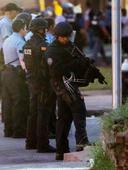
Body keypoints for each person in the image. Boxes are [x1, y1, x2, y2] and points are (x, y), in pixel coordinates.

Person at [44, 22, 89, 161]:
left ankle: (61, 149)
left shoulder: (69, 46)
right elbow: (55, 70)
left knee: (64, 117)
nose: (66, 39)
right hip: (61, 84)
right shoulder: (52, 50)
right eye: (63, 37)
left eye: (67, 37)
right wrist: (76, 64)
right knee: (78, 108)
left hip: (68, 83)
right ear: (57, 36)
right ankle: (81, 142)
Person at [24, 18, 56, 153]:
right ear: (41, 29)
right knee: (43, 112)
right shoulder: (43, 45)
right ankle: (42, 144)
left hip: (31, 80)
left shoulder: (27, 44)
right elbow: (49, 64)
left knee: (33, 112)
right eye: (44, 29)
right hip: (42, 82)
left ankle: (30, 142)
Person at [2, 19, 29, 138]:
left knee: (8, 102)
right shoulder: (20, 42)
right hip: (16, 73)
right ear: (22, 28)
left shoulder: (8, 40)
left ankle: (8, 130)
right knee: (19, 102)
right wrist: (27, 74)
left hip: (6, 72)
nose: (26, 30)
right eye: (25, 27)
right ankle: (19, 130)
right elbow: (22, 60)